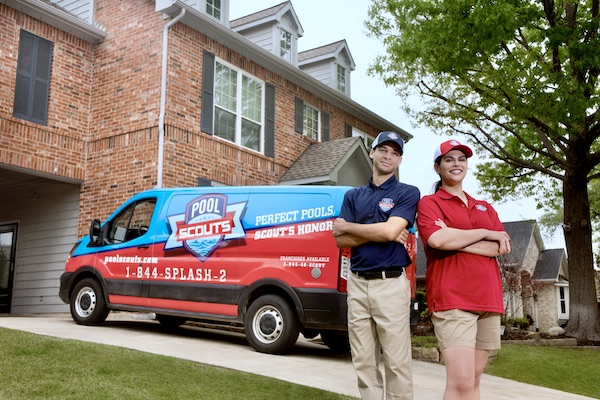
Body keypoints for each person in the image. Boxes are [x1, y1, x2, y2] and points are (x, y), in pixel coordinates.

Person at [416, 139, 511, 400]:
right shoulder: (430, 203)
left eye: (461, 159)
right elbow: (437, 241)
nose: (456, 164)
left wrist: (454, 236)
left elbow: (500, 247)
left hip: (488, 299)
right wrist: (483, 232)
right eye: (449, 159)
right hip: (453, 299)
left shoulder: (484, 206)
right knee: (461, 383)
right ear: (437, 167)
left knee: (474, 381)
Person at [333, 131, 420, 400]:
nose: (388, 156)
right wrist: (383, 230)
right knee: (364, 362)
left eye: (395, 153)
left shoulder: (407, 192)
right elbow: (339, 240)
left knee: (396, 363)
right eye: (383, 149)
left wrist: (350, 226)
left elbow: (386, 233)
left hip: (391, 284)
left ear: (400, 160)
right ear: (372, 152)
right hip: (357, 284)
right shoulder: (352, 195)